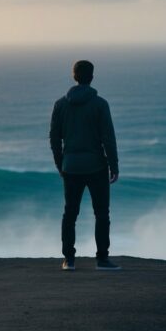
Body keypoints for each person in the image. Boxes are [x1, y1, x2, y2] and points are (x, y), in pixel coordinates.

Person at [50, 60, 120, 271]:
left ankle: (68, 260)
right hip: (97, 166)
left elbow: (54, 138)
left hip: (70, 167)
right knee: (101, 213)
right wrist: (114, 166)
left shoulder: (60, 104)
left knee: (70, 214)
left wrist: (60, 163)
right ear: (92, 77)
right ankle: (102, 260)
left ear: (74, 76)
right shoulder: (100, 104)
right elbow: (108, 138)